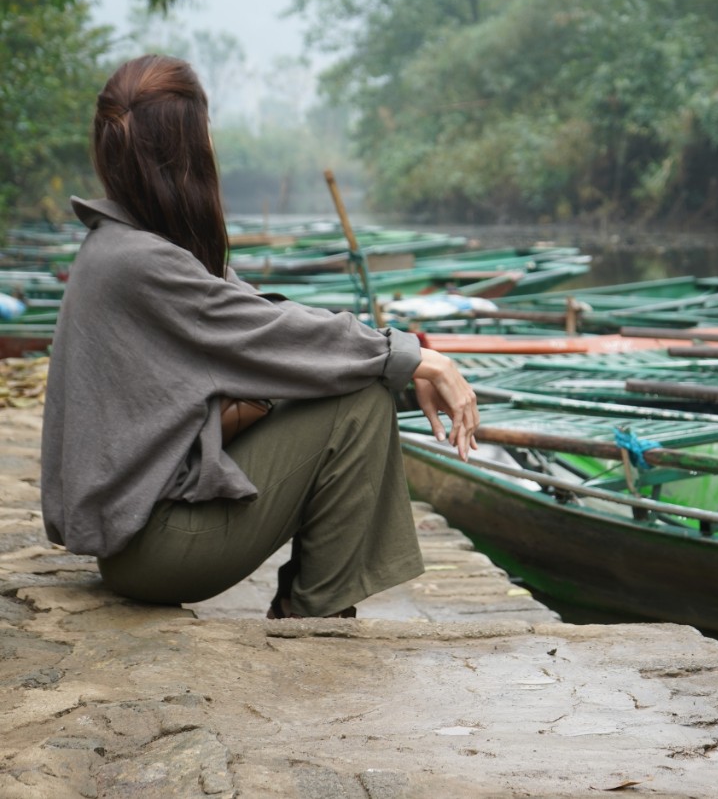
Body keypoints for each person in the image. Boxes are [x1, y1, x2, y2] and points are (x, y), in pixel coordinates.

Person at [40, 54, 480, 620]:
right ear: (189, 150)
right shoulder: (138, 262)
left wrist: (402, 355)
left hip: (139, 535)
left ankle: (310, 603)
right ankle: (315, 618)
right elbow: (275, 335)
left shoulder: (133, 246)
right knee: (361, 406)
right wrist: (422, 360)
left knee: (338, 373)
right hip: (155, 545)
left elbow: (269, 323)